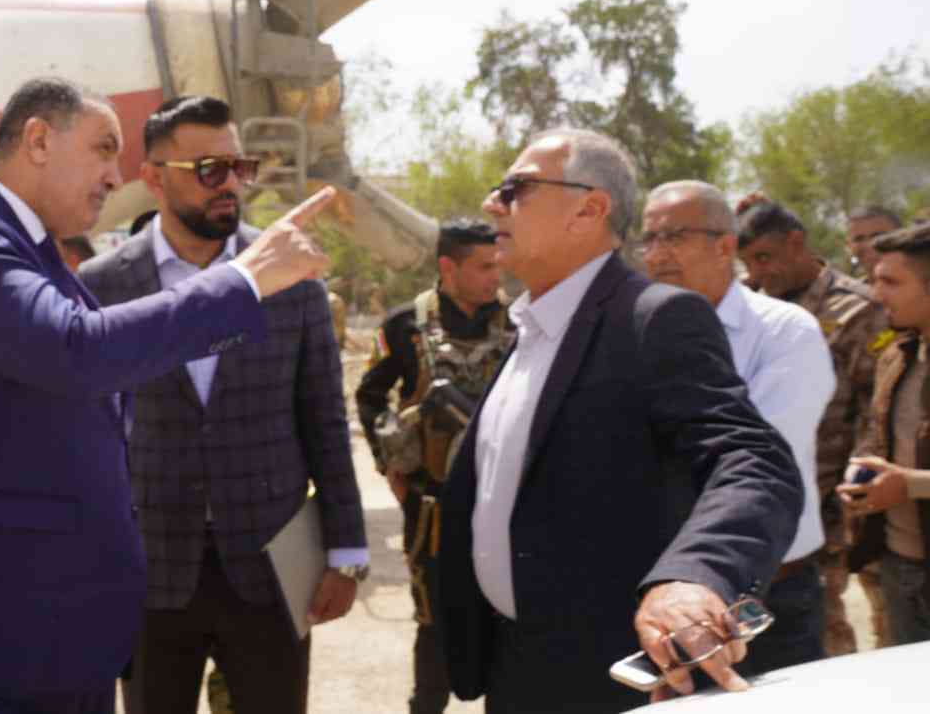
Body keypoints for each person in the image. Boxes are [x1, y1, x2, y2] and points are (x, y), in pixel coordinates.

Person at [0, 78, 338, 714]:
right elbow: (76, 350)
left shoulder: (40, 260)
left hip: (55, 638)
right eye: (103, 150)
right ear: (38, 140)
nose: (115, 176)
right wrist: (244, 279)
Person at [438, 128, 803, 713]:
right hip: (517, 668)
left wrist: (697, 575)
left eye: (516, 189)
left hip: (614, 678)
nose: (492, 204)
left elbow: (754, 461)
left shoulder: (655, 319)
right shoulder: (533, 329)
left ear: (589, 209)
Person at [77, 95, 366, 714]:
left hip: (270, 567)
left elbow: (324, 417)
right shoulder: (104, 285)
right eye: (210, 170)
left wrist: (346, 551)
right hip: (152, 571)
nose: (231, 184)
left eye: (240, 167)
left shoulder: (293, 275)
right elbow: (84, 435)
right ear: (154, 178)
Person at [640, 182, 833, 674]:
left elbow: (753, 461)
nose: (657, 254)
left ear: (725, 246)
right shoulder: (635, 333)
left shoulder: (785, 331)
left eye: (674, 236)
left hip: (765, 593)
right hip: (666, 595)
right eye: (649, 239)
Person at [355, 219, 511, 714]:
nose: (496, 277)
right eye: (484, 267)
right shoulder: (405, 326)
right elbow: (370, 396)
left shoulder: (520, 323)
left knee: (506, 615)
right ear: (448, 267)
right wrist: (391, 462)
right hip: (432, 506)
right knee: (434, 618)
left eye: (498, 264)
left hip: (504, 501)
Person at [737, 200, 892, 655]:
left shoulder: (856, 308)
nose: (758, 272)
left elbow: (874, 408)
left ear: (796, 242)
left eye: (765, 257)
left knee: (828, 626)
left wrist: (855, 490)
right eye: (749, 262)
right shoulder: (748, 307)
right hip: (768, 496)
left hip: (832, 501)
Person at [839, 222, 930, 645]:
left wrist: (910, 485)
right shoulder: (897, 356)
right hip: (901, 569)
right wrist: (864, 477)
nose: (877, 295)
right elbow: (879, 437)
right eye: (875, 281)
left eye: (891, 283)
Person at [847, 206, 902, 284]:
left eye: (878, 236)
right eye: (858, 239)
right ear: (849, 245)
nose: (868, 245)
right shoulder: (845, 290)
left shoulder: (919, 288)